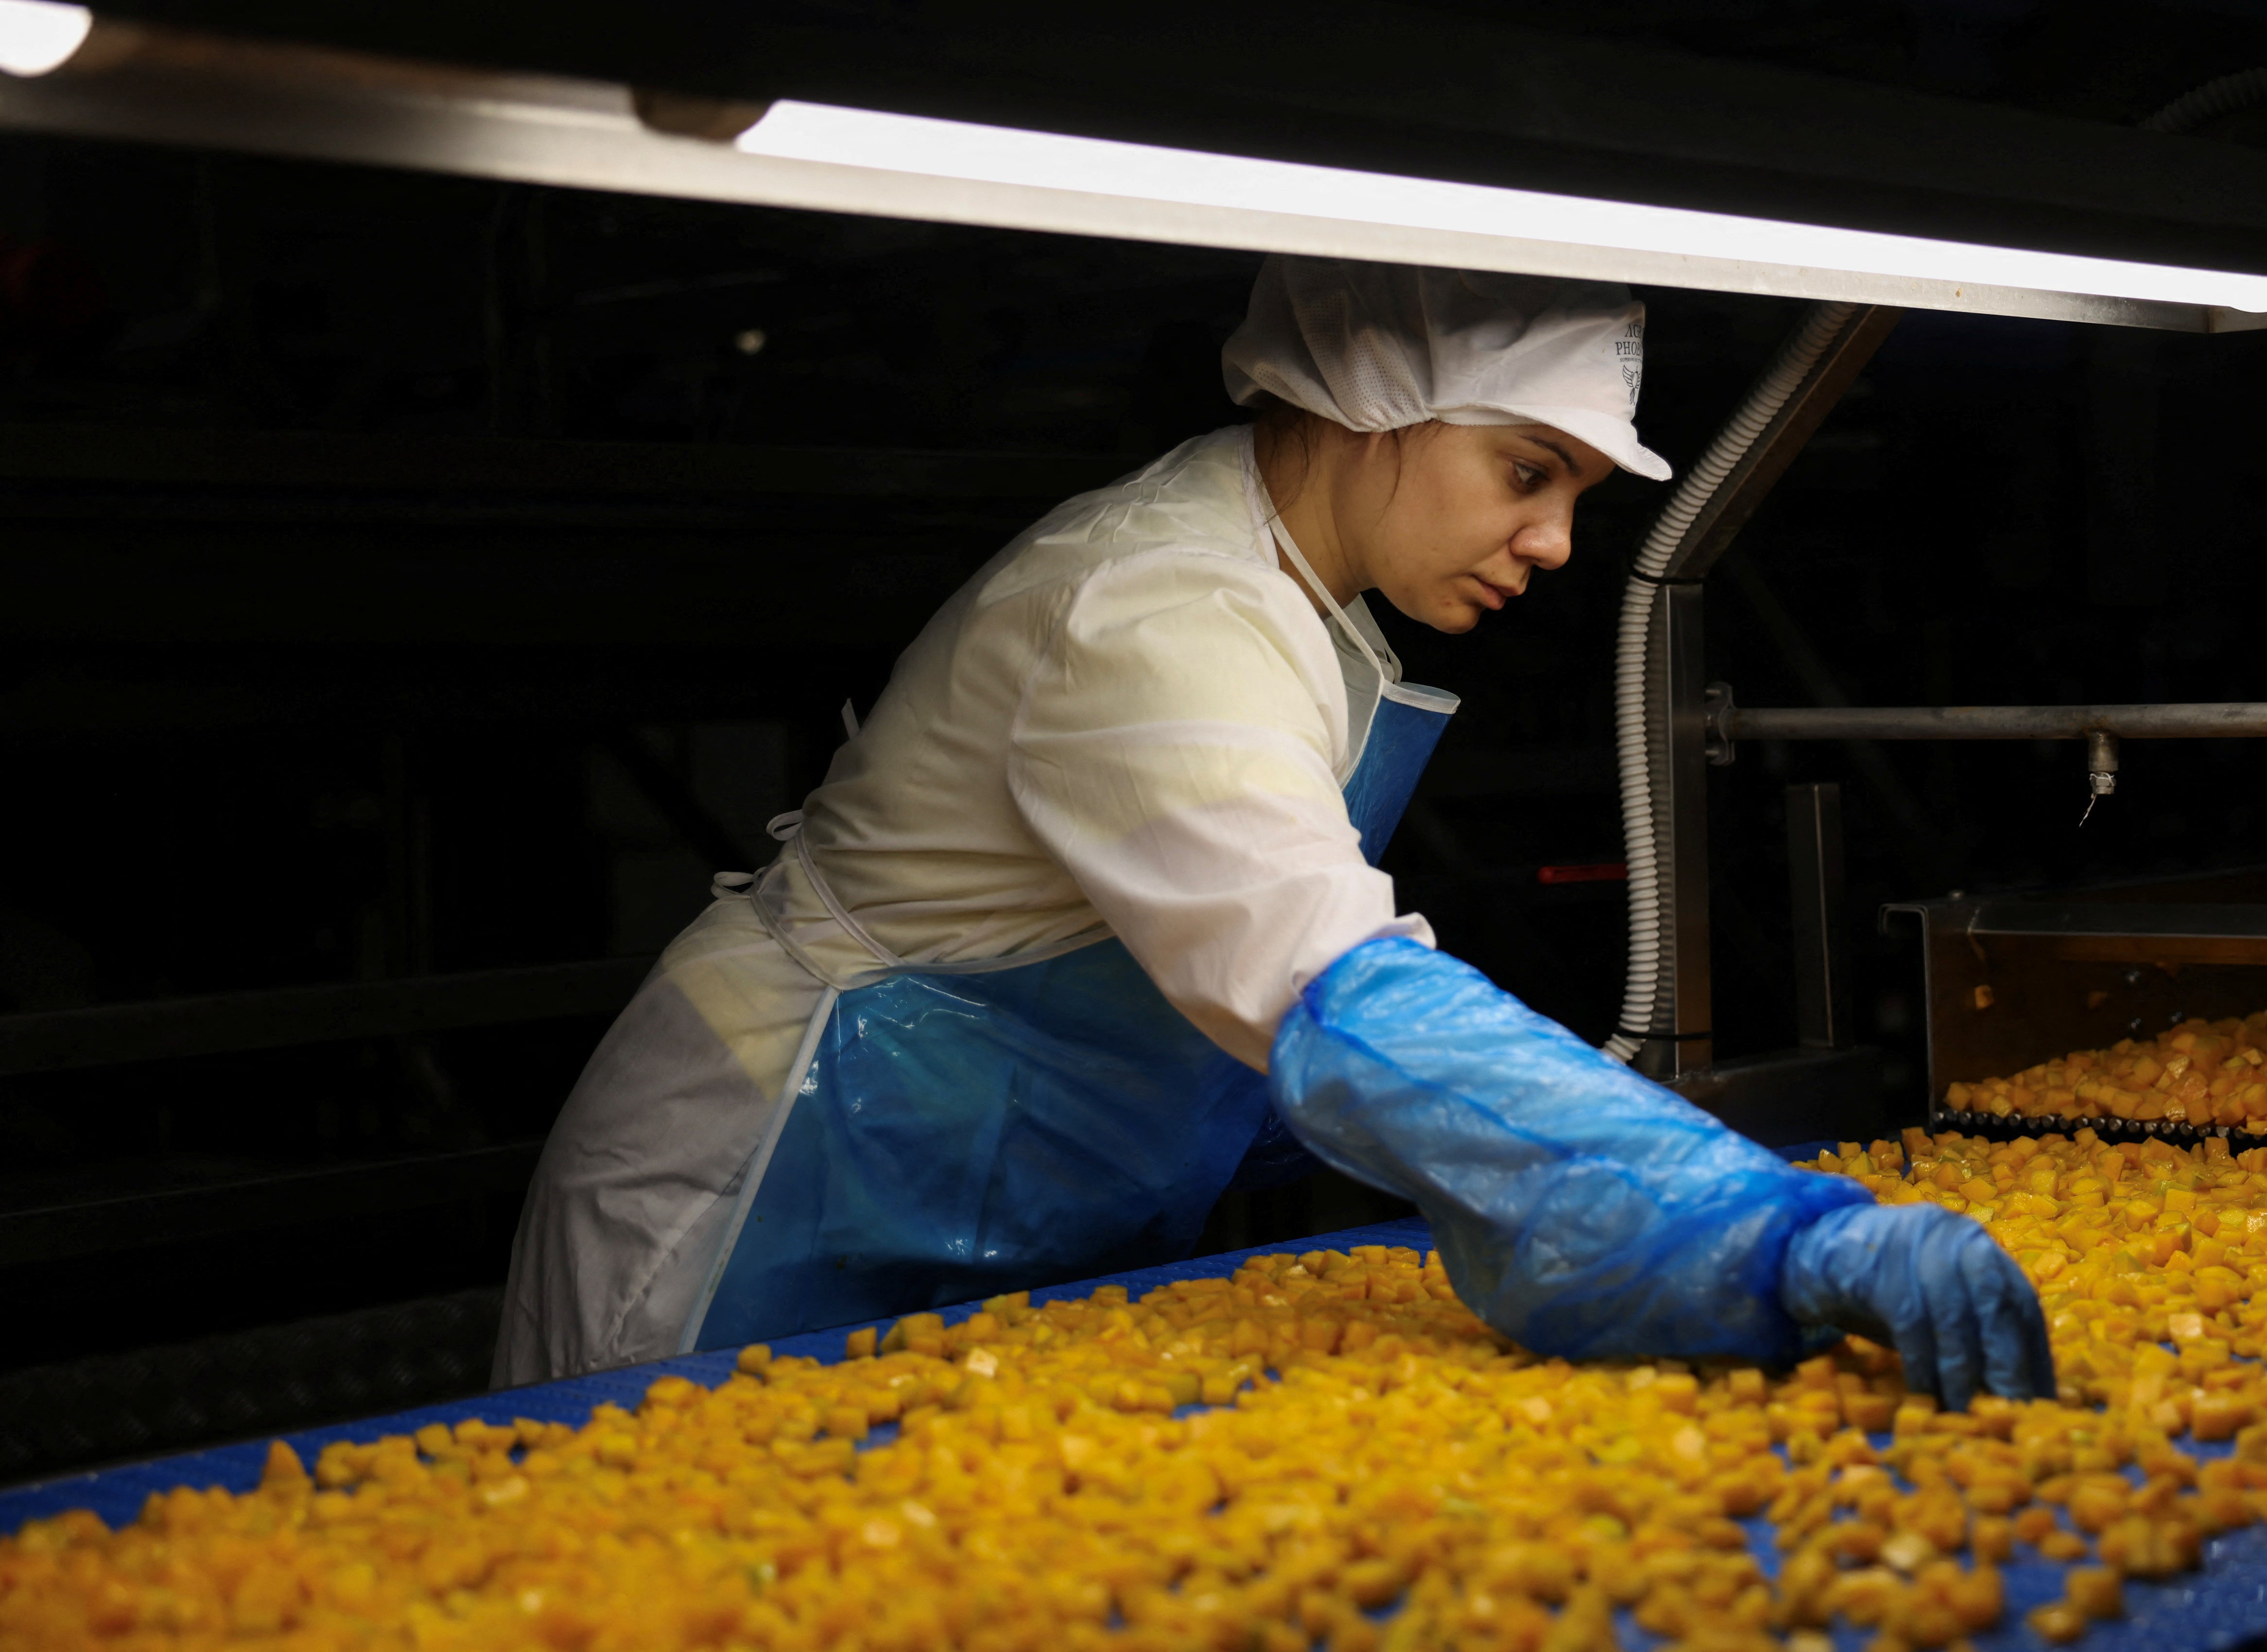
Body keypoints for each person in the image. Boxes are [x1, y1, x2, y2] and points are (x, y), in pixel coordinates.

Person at [494, 256, 2050, 1406]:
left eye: (1574, 490)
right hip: (760, 1186)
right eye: (1527, 472)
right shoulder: (1160, 606)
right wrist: (1753, 1227)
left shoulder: (1299, 605)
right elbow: (1329, 986)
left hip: (951, 1205)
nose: (1560, 541)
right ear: (1374, 402)